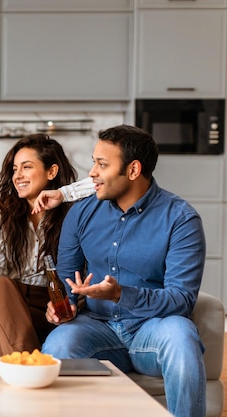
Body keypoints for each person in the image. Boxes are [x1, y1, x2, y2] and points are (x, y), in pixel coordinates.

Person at [41, 125, 206, 417]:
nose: (92, 172)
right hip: (97, 327)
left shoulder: (181, 219)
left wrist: (121, 294)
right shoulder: (80, 213)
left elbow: (182, 298)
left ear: (133, 170)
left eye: (102, 164)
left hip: (153, 328)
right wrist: (60, 307)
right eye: (94, 161)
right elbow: (65, 284)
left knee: (182, 337)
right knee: (58, 343)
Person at [0, 134, 79, 358]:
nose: (18, 176)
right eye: (15, 169)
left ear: (51, 172)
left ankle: (16, 367)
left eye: (26, 167)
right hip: (2, 299)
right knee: (2, 286)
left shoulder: (73, 215)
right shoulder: (0, 216)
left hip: (48, 305)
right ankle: (28, 367)